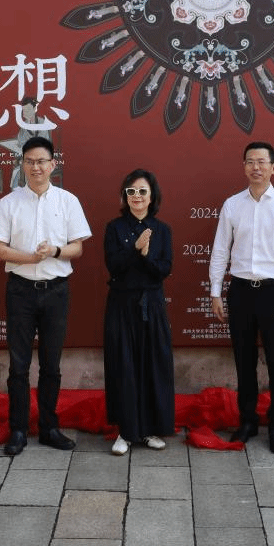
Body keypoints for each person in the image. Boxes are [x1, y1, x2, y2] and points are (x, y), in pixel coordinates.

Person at [0, 136, 91, 455]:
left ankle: (49, 427)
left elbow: (77, 247)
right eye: (29, 161)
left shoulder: (68, 201)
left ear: (52, 165)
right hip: (20, 291)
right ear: (22, 164)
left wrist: (55, 251)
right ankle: (18, 429)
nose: (36, 167)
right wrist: (30, 258)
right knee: (18, 365)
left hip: (56, 291)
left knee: (51, 364)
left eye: (41, 161)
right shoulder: (9, 203)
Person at [209, 142, 274, 454]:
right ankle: (248, 421)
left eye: (262, 162)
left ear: (273, 168)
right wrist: (215, 292)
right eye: (250, 161)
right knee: (244, 359)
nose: (256, 167)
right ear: (244, 167)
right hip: (240, 291)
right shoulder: (232, 205)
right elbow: (220, 251)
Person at [102, 169, 174, 455]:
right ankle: (125, 431)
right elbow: (114, 266)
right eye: (131, 191)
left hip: (151, 305)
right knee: (124, 366)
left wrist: (145, 255)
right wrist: (134, 248)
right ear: (125, 196)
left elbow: (163, 269)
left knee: (152, 365)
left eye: (142, 191)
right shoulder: (114, 228)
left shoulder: (162, 229)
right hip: (121, 305)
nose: (137, 197)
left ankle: (149, 430)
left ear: (152, 196)